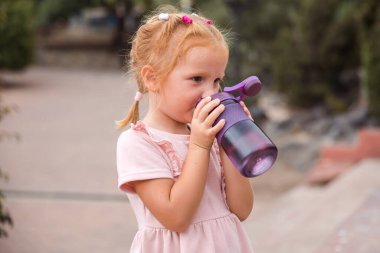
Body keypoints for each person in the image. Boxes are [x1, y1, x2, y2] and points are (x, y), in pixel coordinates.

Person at [116, 7, 254, 253]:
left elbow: (242, 209)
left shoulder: (207, 134)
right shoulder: (138, 143)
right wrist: (200, 145)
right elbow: (176, 217)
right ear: (152, 78)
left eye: (216, 80)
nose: (211, 93)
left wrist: (232, 142)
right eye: (197, 79)